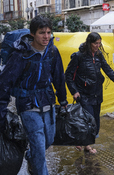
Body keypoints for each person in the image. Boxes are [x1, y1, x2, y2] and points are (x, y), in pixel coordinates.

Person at [0, 16, 68, 175]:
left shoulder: (52, 51)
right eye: (41, 33)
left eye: (49, 32)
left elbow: (59, 76)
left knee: (48, 140)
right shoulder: (20, 54)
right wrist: (1, 111)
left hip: (48, 102)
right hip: (27, 105)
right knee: (38, 144)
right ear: (32, 34)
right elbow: (4, 83)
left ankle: (31, 156)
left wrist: (63, 99)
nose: (46, 36)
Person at [65, 32, 114, 154]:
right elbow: (68, 75)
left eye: (99, 43)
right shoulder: (79, 56)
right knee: (88, 120)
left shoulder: (99, 55)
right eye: (96, 43)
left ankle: (83, 143)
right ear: (89, 43)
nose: (98, 46)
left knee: (95, 122)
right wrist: (74, 91)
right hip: (84, 94)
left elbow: (108, 70)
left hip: (97, 93)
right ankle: (85, 145)